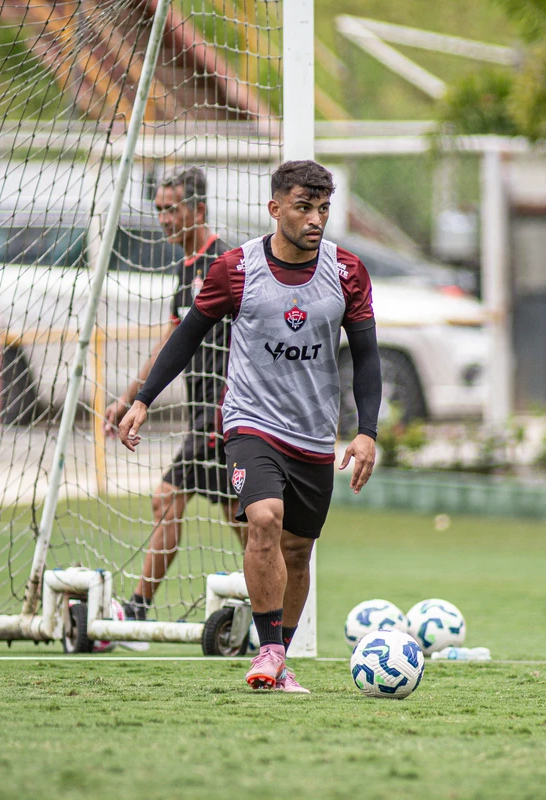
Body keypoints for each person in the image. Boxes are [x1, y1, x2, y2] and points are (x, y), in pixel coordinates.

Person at [117, 160, 382, 693]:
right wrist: (143, 399)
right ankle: (268, 650)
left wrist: (366, 430)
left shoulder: (348, 271)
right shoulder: (235, 269)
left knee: (297, 550)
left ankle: (279, 655)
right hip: (249, 422)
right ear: (275, 208)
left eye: (323, 209)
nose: (315, 219)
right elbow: (186, 336)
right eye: (304, 208)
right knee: (264, 518)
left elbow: (367, 355)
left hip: (313, 432)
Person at [103, 166, 239, 621]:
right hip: (203, 410)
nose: (163, 218)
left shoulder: (224, 262)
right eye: (159, 209)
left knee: (167, 496)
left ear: (197, 210)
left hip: (222, 410)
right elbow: (171, 341)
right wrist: (130, 398)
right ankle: (270, 607)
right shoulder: (185, 268)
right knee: (241, 517)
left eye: (171, 209)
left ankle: (137, 609)